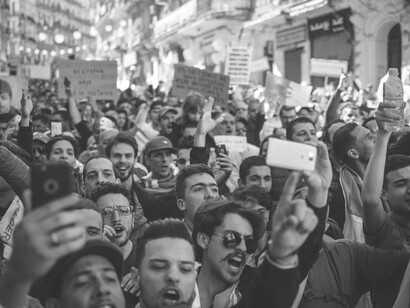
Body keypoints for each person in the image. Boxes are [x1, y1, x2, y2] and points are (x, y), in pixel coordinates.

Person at [362, 101, 410, 307]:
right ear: (385, 193)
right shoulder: (383, 229)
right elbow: (370, 199)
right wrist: (382, 135)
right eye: (401, 184)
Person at [89, 182, 140, 307]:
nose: (116, 218)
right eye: (106, 212)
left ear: (133, 220)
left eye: (123, 210)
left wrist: (150, 283)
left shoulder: (147, 261)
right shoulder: (84, 263)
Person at [333, 122, 377, 242]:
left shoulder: (386, 173)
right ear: (353, 153)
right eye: (368, 137)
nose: (376, 137)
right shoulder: (338, 192)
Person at [175, 164, 220, 232]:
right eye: (198, 189)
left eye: (214, 189)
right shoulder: (170, 239)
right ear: (182, 204)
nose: (210, 195)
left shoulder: (233, 234)